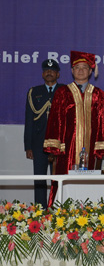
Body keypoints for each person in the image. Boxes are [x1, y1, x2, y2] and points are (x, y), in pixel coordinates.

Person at [44, 51, 104, 207]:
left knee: (89, 185)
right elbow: (55, 120)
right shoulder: (62, 93)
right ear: (72, 71)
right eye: (77, 67)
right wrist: (55, 146)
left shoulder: (98, 94)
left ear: (90, 71)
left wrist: (100, 147)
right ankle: (59, 213)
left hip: (90, 147)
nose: (81, 70)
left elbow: (103, 121)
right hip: (67, 148)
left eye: (84, 67)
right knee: (64, 181)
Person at [24, 59, 64, 208]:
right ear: (42, 74)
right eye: (46, 70)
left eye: (52, 70)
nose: (49, 72)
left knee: (59, 179)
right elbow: (29, 120)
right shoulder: (34, 92)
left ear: (58, 74)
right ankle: (40, 211)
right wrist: (28, 146)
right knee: (40, 179)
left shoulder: (64, 91)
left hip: (60, 144)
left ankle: (58, 209)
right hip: (38, 144)